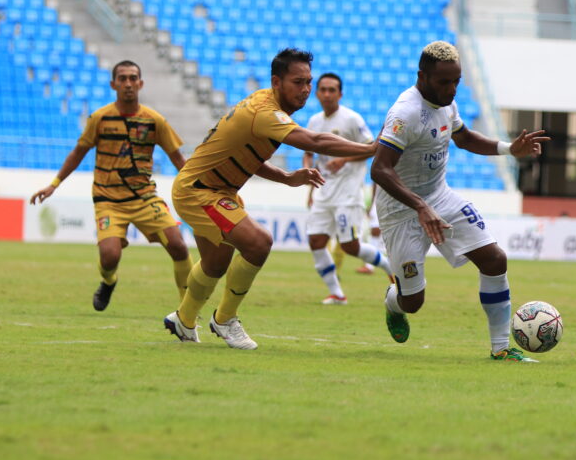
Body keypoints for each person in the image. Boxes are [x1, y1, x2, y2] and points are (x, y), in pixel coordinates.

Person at [162, 48, 378, 349]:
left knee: (215, 262)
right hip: (198, 192)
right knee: (258, 242)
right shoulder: (266, 113)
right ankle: (224, 319)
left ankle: (183, 321)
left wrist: (287, 178)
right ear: (277, 82)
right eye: (298, 82)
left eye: (308, 83)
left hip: (216, 190)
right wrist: (368, 149)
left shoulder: (267, 104)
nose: (305, 91)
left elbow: (245, 154)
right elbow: (314, 141)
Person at [370, 41, 549, 361]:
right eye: (444, 82)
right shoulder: (405, 113)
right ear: (422, 76)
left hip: (440, 195)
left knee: (495, 259)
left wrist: (509, 148)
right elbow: (380, 169)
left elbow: (464, 137)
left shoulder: (446, 102)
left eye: (457, 81)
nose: (452, 89)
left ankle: (501, 349)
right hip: (400, 209)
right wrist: (420, 207)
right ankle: (392, 301)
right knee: (413, 302)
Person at [30, 60, 191, 310]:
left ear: (141, 83)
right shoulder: (100, 118)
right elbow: (78, 152)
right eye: (123, 78)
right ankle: (109, 280)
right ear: (113, 84)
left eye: (133, 78)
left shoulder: (155, 121)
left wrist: (202, 187)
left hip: (144, 198)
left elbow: (178, 159)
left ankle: (187, 313)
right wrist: (54, 184)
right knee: (110, 256)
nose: (128, 83)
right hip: (108, 200)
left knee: (179, 246)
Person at [302, 72, 393, 304]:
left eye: (332, 90)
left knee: (349, 246)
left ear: (340, 94)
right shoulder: (314, 122)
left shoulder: (352, 119)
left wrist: (344, 159)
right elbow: (308, 153)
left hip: (348, 192)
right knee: (316, 242)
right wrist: (310, 185)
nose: (327, 94)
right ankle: (337, 293)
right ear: (317, 93)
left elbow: (372, 148)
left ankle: (389, 266)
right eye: (322, 89)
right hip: (324, 191)